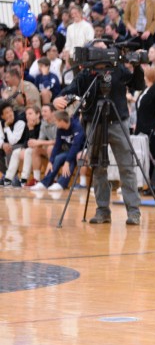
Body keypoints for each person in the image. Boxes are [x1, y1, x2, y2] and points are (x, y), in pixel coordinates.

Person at [50, 40, 146, 224]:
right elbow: (69, 90)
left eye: (106, 49)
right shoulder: (86, 73)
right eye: (99, 50)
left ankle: (133, 212)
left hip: (118, 122)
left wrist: (137, 66)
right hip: (94, 123)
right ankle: (102, 210)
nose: (104, 53)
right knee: (98, 168)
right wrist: (58, 99)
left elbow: (137, 84)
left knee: (126, 167)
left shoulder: (118, 69)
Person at [30, 110, 85, 192]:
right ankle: (44, 183)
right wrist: (50, 161)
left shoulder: (77, 126)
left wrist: (67, 161)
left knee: (71, 161)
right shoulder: (60, 130)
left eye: (56, 121)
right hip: (70, 151)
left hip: (82, 150)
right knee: (58, 158)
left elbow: (76, 146)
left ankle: (61, 184)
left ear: (62, 121)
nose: (55, 123)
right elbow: (57, 146)